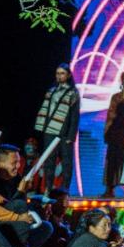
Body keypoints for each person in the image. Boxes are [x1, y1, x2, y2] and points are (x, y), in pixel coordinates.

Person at [34, 63, 81, 193]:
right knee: (49, 160)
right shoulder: (51, 91)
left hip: (65, 132)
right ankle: (48, 188)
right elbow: (46, 110)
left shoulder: (73, 93)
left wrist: (71, 136)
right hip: (50, 129)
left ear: (68, 75)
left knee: (66, 161)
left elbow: (75, 116)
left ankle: (65, 190)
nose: (59, 76)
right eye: (57, 73)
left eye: (62, 73)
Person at [102, 71, 124, 197]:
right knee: (112, 161)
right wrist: (107, 132)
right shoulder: (115, 97)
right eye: (123, 78)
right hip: (115, 133)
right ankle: (109, 189)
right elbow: (110, 115)